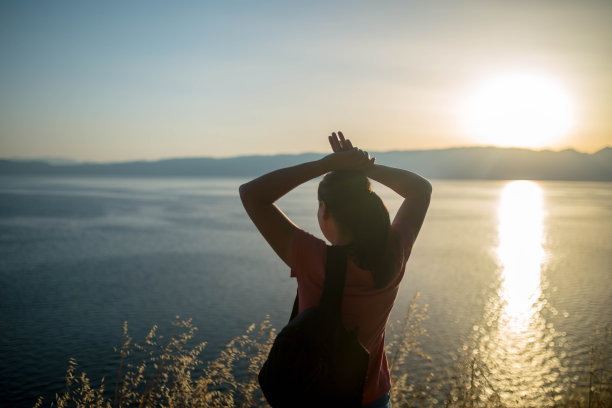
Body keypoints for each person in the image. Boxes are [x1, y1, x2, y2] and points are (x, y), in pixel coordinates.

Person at [239, 131, 431, 408]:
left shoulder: (313, 258)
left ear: (325, 210)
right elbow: (421, 189)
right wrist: (366, 167)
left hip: (317, 398)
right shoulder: (394, 252)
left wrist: (326, 164)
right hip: (374, 398)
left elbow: (251, 194)